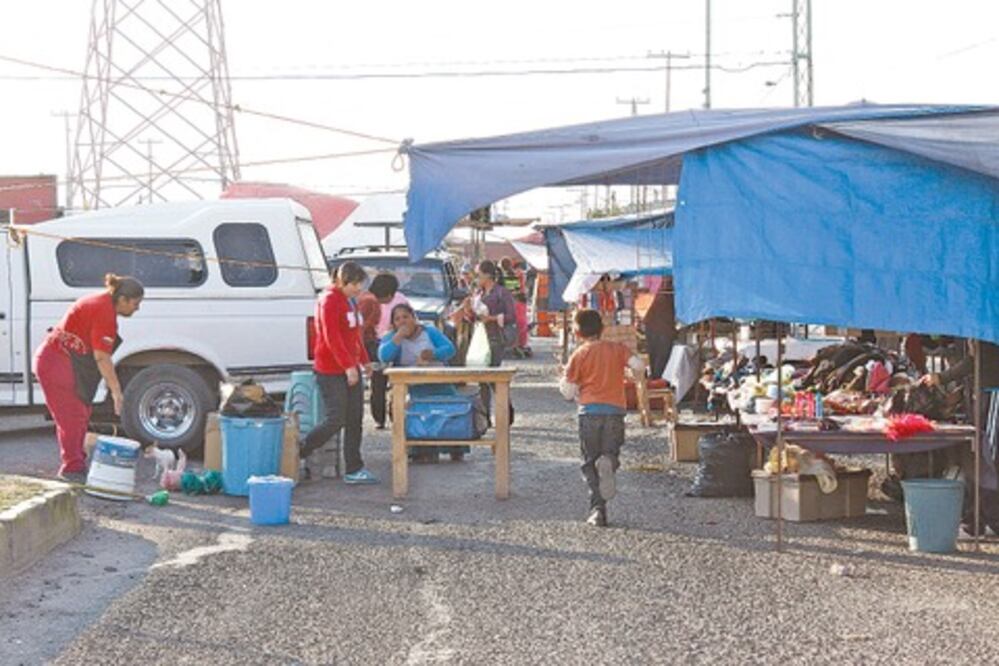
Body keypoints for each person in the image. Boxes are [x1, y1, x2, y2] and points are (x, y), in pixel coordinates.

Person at [33, 273, 144, 482]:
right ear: (122, 299)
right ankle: (72, 469)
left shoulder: (100, 301)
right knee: (72, 416)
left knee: (82, 411)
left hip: (58, 358)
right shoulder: (104, 312)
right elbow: (102, 357)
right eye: (135, 304)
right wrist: (116, 392)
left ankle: (77, 462)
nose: (137, 309)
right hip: (56, 362)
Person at [559, 309, 644, 527]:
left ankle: (598, 511)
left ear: (577, 332)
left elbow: (568, 392)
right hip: (615, 412)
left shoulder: (579, 354)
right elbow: (638, 365)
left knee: (589, 463)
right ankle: (609, 461)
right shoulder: (616, 349)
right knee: (610, 453)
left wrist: (565, 379)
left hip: (589, 413)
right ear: (602, 329)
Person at [300, 262, 377, 484]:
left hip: (350, 368)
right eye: (354, 285)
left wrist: (364, 361)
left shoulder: (349, 301)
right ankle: (302, 449)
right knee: (336, 419)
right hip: (331, 370)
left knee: (355, 419)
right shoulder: (329, 300)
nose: (358, 290)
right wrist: (348, 366)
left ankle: (354, 467)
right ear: (343, 281)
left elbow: (354, 335)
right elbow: (331, 337)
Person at [378, 303, 466, 462]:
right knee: (413, 409)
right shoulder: (392, 337)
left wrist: (433, 354)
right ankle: (420, 449)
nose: (403, 321)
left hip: (438, 382)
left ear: (413, 317)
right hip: (413, 386)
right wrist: (398, 338)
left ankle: (455, 446)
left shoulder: (429, 332)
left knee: (451, 406)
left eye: (406, 317)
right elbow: (384, 356)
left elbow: (450, 349)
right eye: (398, 319)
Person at [356, 273, 407, 429]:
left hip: (384, 342)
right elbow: (361, 328)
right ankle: (382, 417)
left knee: (382, 384)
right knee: (379, 383)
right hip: (373, 345)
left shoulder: (368, 299)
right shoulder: (370, 302)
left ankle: (386, 417)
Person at [473, 260, 517, 419]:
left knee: (492, 375)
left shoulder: (501, 293)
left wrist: (491, 318)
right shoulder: (479, 293)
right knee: (482, 378)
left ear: (487, 275)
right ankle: (485, 416)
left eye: (478, 274)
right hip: (480, 338)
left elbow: (512, 316)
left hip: (496, 337)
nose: (476, 278)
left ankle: (506, 409)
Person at [643, 278, 677, 380]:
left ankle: (655, 379)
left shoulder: (663, 295)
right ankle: (656, 380)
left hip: (655, 326)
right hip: (661, 328)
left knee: (656, 356)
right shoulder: (668, 295)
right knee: (660, 357)